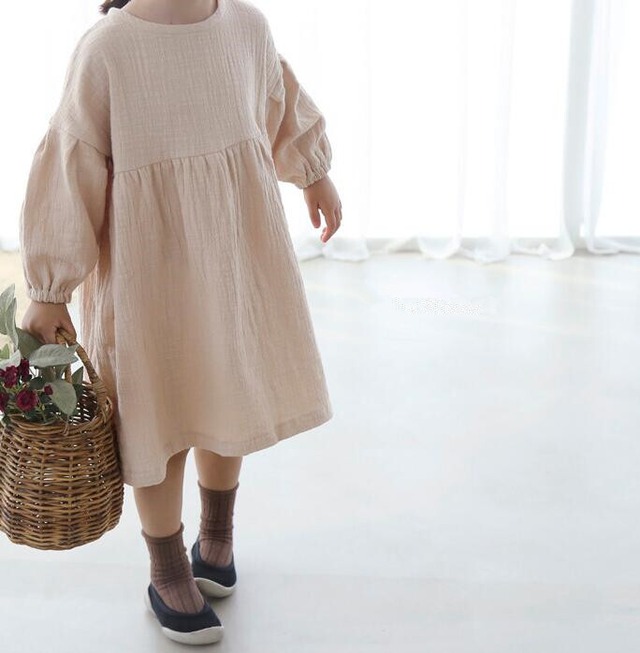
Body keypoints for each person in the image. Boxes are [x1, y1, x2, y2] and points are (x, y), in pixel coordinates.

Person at [19, 0, 342, 645]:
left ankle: (217, 535)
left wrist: (314, 174)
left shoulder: (245, 27)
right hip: (149, 275)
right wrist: (50, 287)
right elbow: (72, 163)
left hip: (234, 260)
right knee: (158, 418)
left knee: (229, 396)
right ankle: (166, 565)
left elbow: (279, 105)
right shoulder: (108, 49)